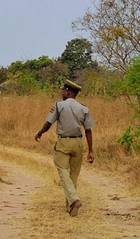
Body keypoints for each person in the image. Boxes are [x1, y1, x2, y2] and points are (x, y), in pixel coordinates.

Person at [34, 79, 95, 217]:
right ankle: (71, 208)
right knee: (73, 174)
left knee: (63, 171)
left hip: (63, 142)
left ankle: (74, 199)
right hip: (78, 143)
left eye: (63, 90)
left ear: (68, 92)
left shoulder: (59, 105)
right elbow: (88, 130)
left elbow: (48, 123)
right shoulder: (83, 108)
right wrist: (90, 151)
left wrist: (39, 133)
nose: (62, 93)